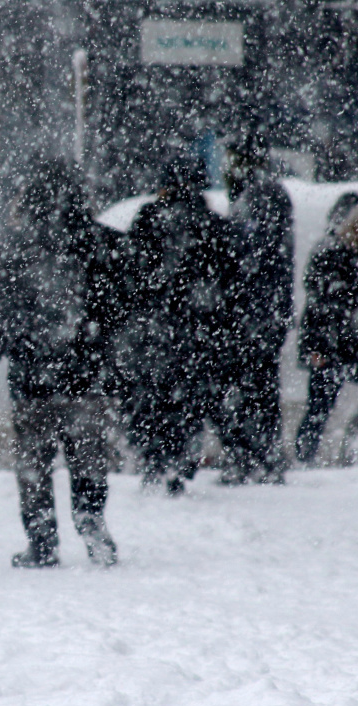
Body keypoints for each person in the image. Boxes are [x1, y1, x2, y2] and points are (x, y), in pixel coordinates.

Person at [0, 160, 118, 569]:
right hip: (86, 378)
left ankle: (42, 542)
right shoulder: (99, 243)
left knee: (34, 467)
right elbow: (120, 311)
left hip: (33, 377)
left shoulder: (16, 247)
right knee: (88, 462)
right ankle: (92, 523)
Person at [124, 155, 238, 495]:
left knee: (151, 398)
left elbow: (129, 271)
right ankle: (180, 464)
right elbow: (231, 281)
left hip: (153, 329)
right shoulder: (213, 224)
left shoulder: (147, 219)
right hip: (199, 331)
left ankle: (152, 461)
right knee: (190, 401)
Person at [294, 192, 358, 465]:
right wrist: (318, 349)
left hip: (348, 345)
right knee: (320, 407)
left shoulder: (351, 255)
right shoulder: (329, 252)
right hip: (328, 346)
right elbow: (321, 305)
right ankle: (309, 457)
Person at [221, 131, 295, 484]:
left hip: (255, 312)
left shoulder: (261, 195)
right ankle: (258, 457)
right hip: (263, 310)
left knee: (254, 386)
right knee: (258, 386)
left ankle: (255, 459)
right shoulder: (266, 192)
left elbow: (251, 252)